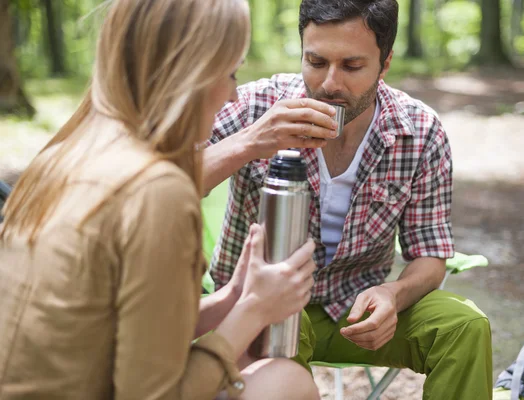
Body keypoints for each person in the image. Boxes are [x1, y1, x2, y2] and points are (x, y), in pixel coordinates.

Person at [0, 1, 320, 399]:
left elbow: (103, 327)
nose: (234, 95)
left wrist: (231, 299)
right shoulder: (156, 190)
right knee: (284, 382)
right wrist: (253, 310)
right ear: (192, 76)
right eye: (231, 73)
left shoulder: (63, 154)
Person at [204, 0, 493, 398]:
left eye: (352, 66)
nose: (330, 84)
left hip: (357, 310)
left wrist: (394, 294)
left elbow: (430, 254)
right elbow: (164, 185)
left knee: (464, 326)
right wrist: (253, 141)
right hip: (262, 306)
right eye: (316, 62)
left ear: (385, 63)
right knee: (283, 335)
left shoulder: (420, 131)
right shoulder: (256, 106)